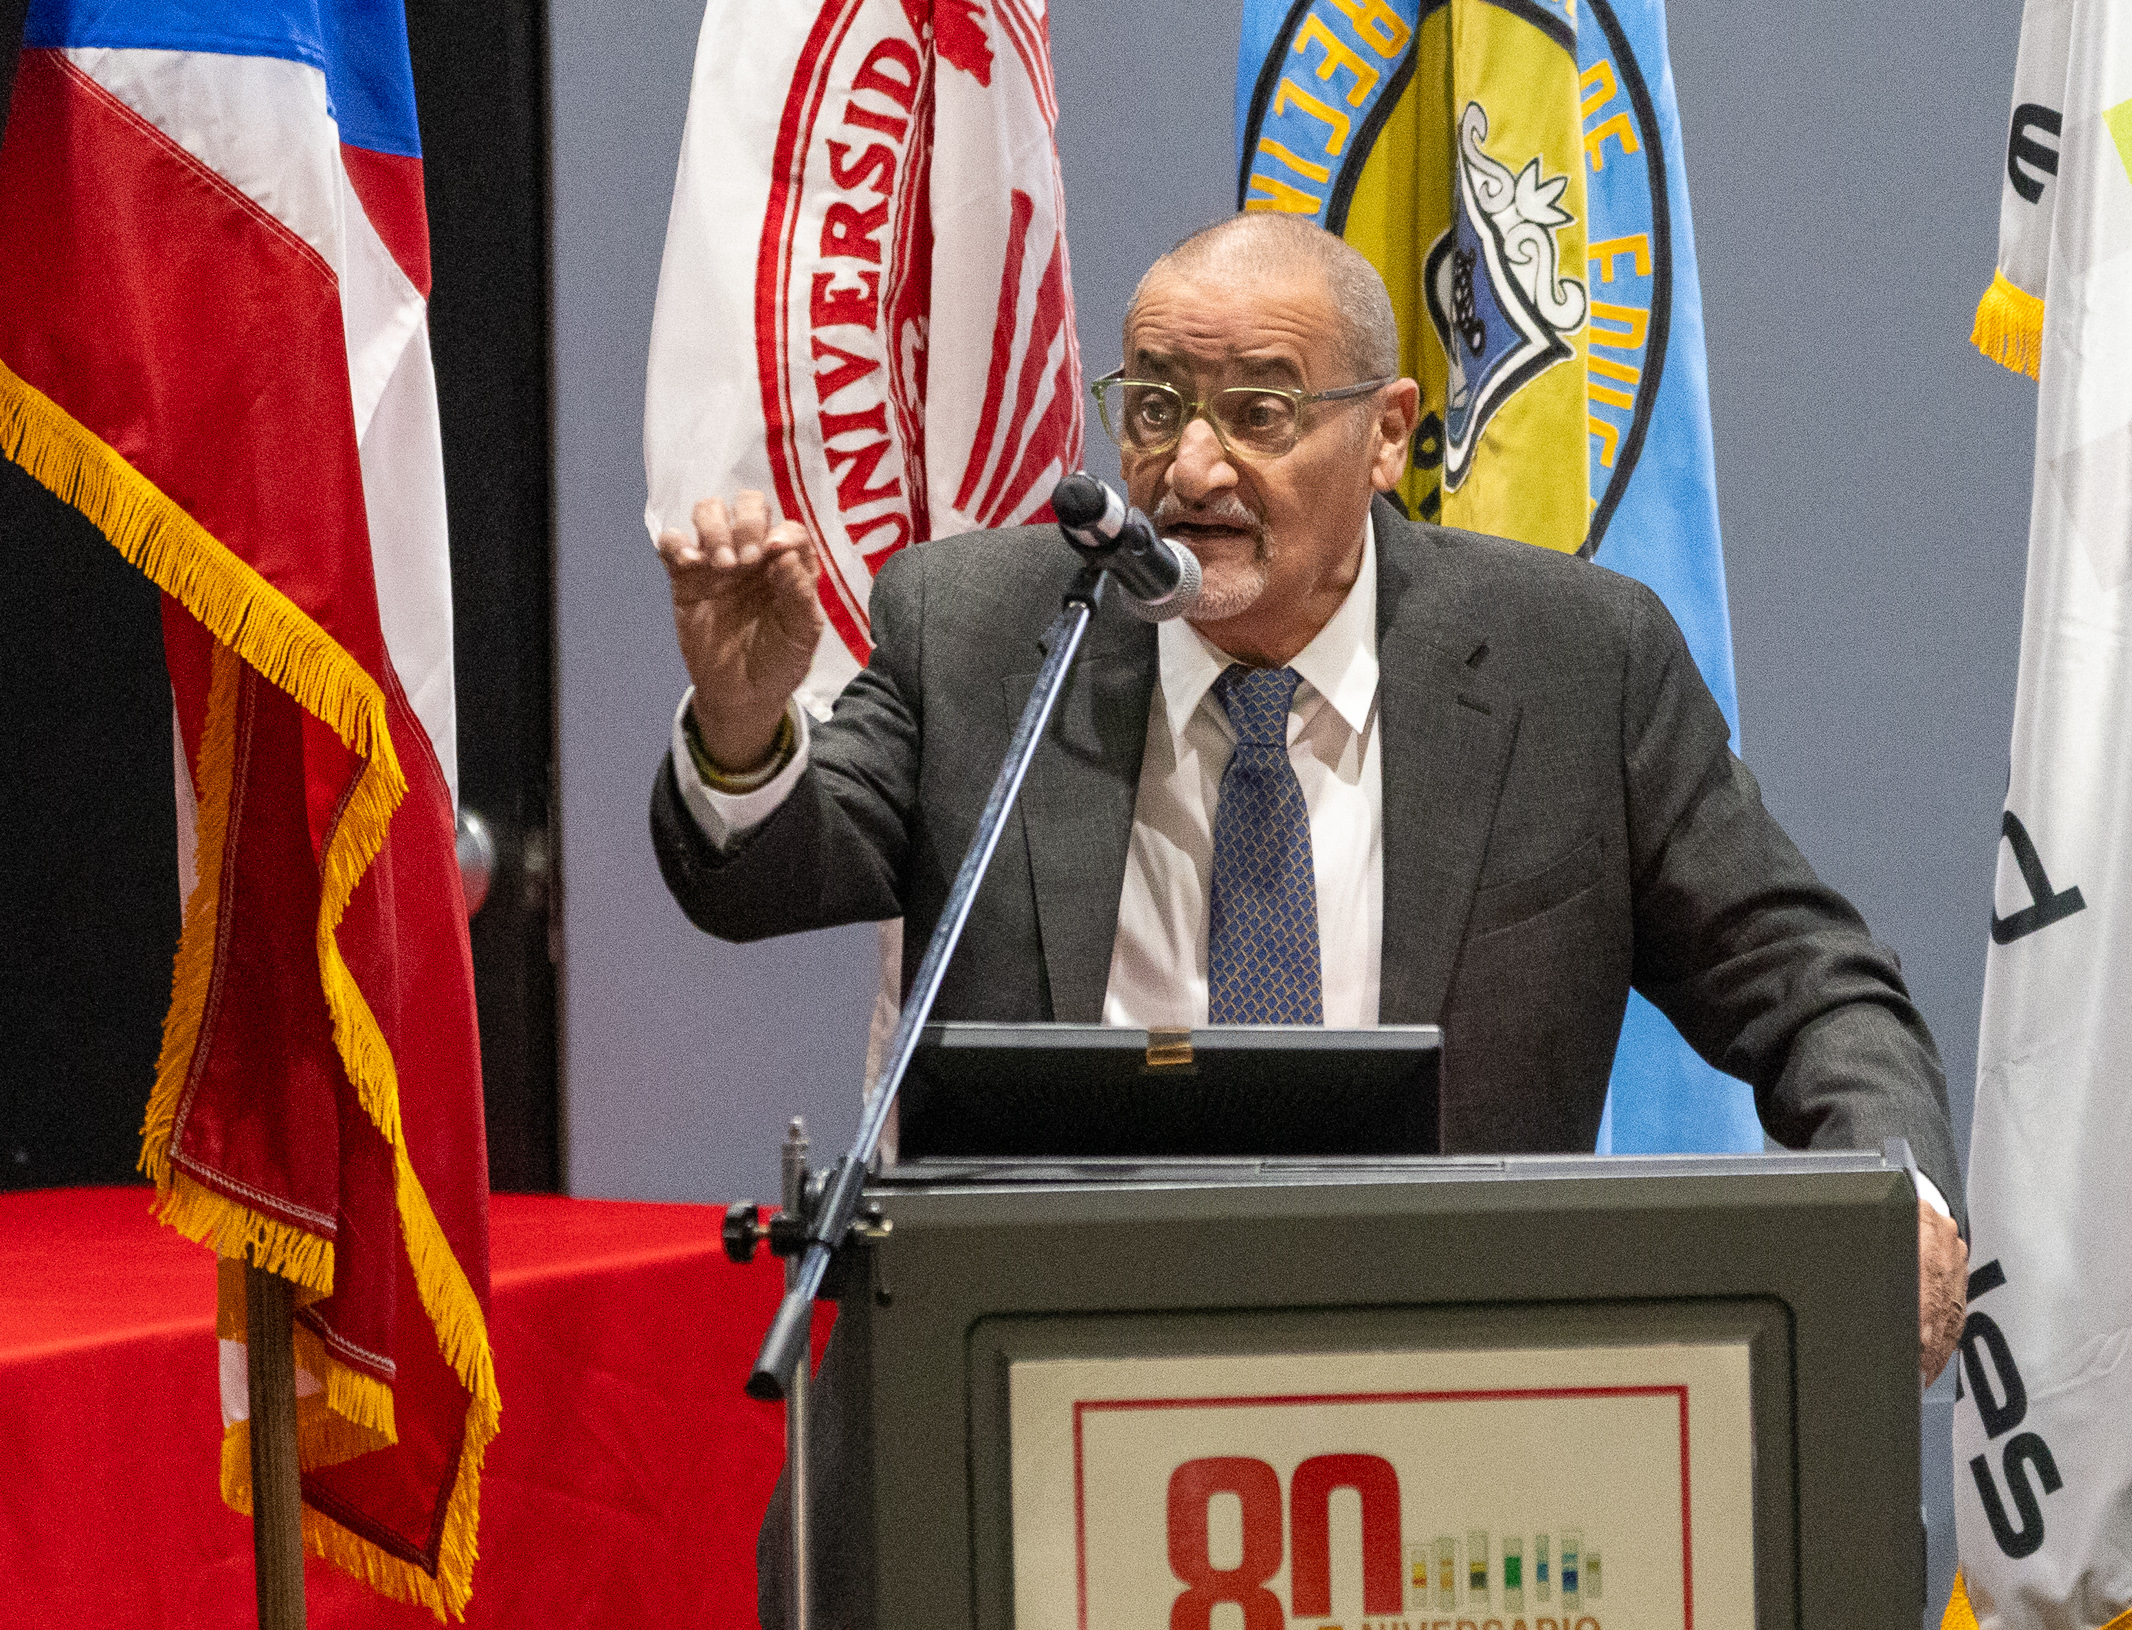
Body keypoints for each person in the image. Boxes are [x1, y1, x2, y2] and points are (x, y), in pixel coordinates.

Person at [651, 213, 1968, 1382]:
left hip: (1460, 1392)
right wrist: (744, 720)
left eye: (1260, 413)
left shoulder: (1574, 662)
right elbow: (766, 877)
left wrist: (1890, 1189)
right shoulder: (987, 628)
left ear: (1388, 431)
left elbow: (1804, 976)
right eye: (1156, 407)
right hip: (1039, 1373)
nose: (1195, 469)